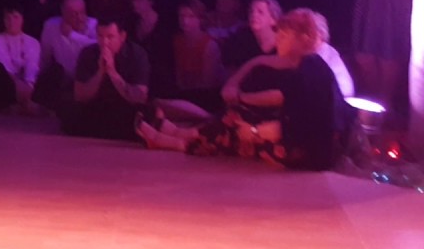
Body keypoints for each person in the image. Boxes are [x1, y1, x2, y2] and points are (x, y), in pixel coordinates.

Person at [137, 9, 346, 171]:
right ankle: (182, 134)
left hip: (308, 153)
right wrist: (243, 101)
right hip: (304, 140)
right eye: (278, 33)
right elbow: (282, 99)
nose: (278, 38)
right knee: (240, 114)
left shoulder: (310, 70)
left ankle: (179, 142)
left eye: (284, 34)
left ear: (303, 38)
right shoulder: (307, 65)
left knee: (236, 130)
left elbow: (294, 122)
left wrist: (254, 131)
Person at [61, 18, 150, 140]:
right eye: (100, 36)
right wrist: (100, 72)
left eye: (110, 37)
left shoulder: (137, 54)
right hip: (97, 108)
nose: (104, 42)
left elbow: (140, 97)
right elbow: (80, 95)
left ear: (122, 36)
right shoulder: (88, 53)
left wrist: (112, 72)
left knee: (146, 114)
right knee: (69, 112)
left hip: (125, 107)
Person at [33, 0, 97, 111]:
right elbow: (45, 58)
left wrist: (72, 35)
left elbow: (97, 46)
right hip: (63, 79)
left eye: (82, 12)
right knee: (53, 72)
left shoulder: (95, 26)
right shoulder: (51, 26)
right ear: (63, 14)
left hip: (86, 80)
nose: (79, 18)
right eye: (74, 14)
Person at [0, 8, 40, 112]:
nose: (12, 22)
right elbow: (2, 66)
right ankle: (20, 105)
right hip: (9, 85)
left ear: (22, 19)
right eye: (8, 18)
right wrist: (17, 85)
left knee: (55, 70)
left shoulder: (33, 42)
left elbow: (32, 65)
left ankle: (26, 103)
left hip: (29, 87)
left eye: (15, 17)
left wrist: (29, 85)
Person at [222, 0, 281, 71]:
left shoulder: (284, 46)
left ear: (274, 20)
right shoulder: (242, 40)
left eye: (260, 12)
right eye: (251, 11)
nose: (254, 15)